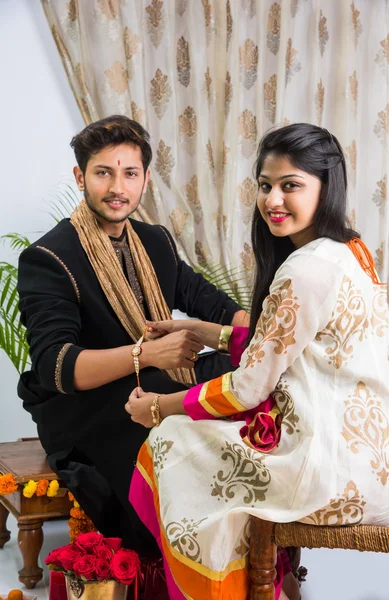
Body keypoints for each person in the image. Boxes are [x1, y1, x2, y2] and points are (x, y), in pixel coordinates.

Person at [126, 123, 389, 600]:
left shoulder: (305, 269)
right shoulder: (352, 252)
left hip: (322, 473)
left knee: (171, 441)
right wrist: (204, 331)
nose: (273, 200)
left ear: (326, 187)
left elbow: (248, 388)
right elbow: (301, 345)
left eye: (291, 185)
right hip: (371, 464)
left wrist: (160, 407)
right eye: (266, 185)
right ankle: (275, 586)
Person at [16, 115, 248, 560]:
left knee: (240, 373)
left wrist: (269, 329)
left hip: (154, 375)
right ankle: (185, 554)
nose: (117, 187)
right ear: (80, 177)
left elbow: (206, 299)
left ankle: (249, 530)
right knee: (164, 392)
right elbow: (57, 366)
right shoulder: (49, 256)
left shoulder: (153, 240)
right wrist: (148, 353)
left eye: (130, 173)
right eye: (103, 173)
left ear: (144, 179)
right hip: (82, 404)